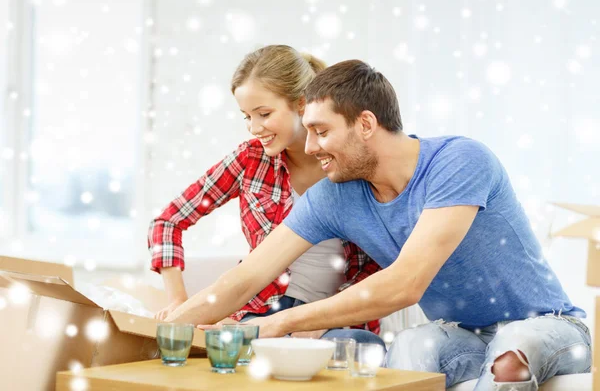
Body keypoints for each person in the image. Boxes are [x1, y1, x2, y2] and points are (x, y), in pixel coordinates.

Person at [165, 59, 591, 390]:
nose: (310, 146)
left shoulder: (460, 162)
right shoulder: (335, 195)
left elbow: (404, 284)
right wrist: (166, 328)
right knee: (410, 344)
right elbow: (248, 276)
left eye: (320, 131)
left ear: (365, 124)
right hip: (463, 335)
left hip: (551, 327)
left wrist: (280, 322)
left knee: (514, 349)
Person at [148, 46, 383, 345]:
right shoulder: (250, 160)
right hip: (260, 315)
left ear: (301, 104)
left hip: (335, 324)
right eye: (246, 116)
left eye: (264, 114)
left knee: (362, 348)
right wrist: (178, 301)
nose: (254, 127)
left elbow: (378, 267)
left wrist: (321, 322)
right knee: (218, 351)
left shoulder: (352, 163)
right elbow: (167, 222)